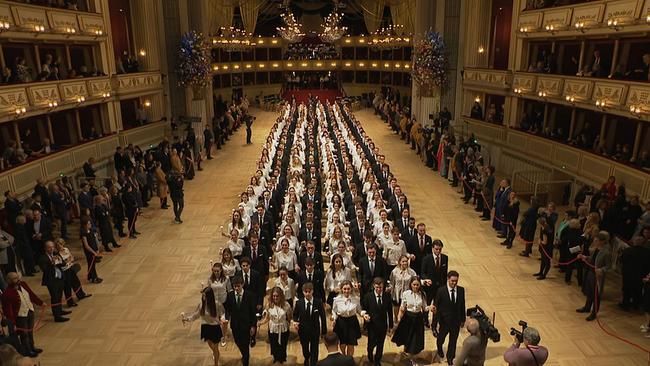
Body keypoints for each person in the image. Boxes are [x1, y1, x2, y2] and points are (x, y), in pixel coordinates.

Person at [1, 272, 44, 357]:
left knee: (30, 331)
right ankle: (27, 351)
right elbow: (8, 311)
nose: (18, 280)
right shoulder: (6, 294)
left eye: (17, 277)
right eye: (15, 278)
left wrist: (40, 303)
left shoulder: (23, 284)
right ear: (9, 281)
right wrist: (12, 323)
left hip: (30, 311)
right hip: (21, 316)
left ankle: (32, 347)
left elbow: (31, 295)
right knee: (24, 334)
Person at [182, 287, 222, 366]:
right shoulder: (201, 305)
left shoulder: (217, 304)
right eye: (203, 296)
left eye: (205, 296)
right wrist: (187, 319)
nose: (204, 298)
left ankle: (216, 364)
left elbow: (222, 314)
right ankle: (216, 354)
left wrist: (222, 320)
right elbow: (195, 315)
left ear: (210, 296)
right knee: (211, 345)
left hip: (215, 328)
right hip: (206, 327)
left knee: (215, 347)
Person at [577, 231, 612, 321]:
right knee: (589, 292)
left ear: (602, 241)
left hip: (597, 276)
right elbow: (592, 259)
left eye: (596, 240)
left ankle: (594, 313)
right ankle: (587, 307)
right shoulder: (596, 248)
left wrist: (601, 270)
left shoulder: (606, 252)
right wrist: (584, 257)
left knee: (596, 295)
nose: (594, 242)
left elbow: (609, 266)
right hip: (590, 272)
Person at [391, 276, 429, 359]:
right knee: (407, 336)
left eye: (417, 285)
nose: (415, 286)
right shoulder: (406, 293)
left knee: (415, 337)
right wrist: (399, 318)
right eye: (414, 284)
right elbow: (402, 307)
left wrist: (430, 308)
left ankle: (411, 353)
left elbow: (424, 307)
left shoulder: (422, 294)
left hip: (418, 317)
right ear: (411, 284)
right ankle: (406, 351)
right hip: (408, 317)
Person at [222, 276, 256, 366]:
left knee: (245, 344)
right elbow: (228, 309)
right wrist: (226, 317)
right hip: (235, 325)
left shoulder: (249, 296)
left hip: (246, 325)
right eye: (234, 286)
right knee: (237, 342)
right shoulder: (230, 295)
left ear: (242, 285)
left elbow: (253, 312)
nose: (236, 288)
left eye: (238, 286)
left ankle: (246, 361)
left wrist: (253, 326)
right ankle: (245, 355)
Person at [434, 270, 466, 365]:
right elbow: (436, 307)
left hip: (456, 322)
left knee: (453, 341)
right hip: (444, 322)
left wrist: (463, 319)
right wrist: (434, 323)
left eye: (456, 281)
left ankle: (450, 358)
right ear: (448, 279)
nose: (454, 283)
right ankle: (439, 348)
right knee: (441, 339)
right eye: (452, 281)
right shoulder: (441, 291)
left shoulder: (461, 290)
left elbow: (462, 305)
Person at [293, 282, 327, 366]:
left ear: (312, 291)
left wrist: (324, 331)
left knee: (314, 348)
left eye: (309, 291)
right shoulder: (299, 303)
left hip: (315, 330)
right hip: (303, 330)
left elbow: (323, 317)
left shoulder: (318, 302)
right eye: (305, 292)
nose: (307, 293)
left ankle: (313, 362)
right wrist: (295, 322)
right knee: (305, 347)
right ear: (303, 292)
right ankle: (307, 357)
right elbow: (295, 315)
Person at [361, 277, 393, 366]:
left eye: (380, 287)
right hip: (372, 325)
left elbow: (390, 312)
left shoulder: (387, 296)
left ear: (383, 287)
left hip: (383, 325)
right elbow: (364, 309)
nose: (379, 289)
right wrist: (365, 319)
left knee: (380, 344)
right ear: (373, 286)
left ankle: (378, 359)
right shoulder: (368, 296)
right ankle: (370, 355)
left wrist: (391, 325)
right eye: (377, 287)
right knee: (371, 344)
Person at [37, 241, 71, 322]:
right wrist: (52, 264)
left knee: (59, 296)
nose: (52, 248)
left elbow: (62, 263)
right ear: (45, 248)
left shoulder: (56, 254)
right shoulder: (42, 258)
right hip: (51, 280)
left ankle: (59, 311)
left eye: (52, 247)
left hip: (59, 278)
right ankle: (57, 316)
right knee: (55, 297)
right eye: (49, 247)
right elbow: (45, 270)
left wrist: (59, 261)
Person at [258, 287, 291, 364]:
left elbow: (289, 317)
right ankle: (276, 357)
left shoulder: (286, 305)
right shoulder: (269, 305)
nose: (275, 298)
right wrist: (260, 323)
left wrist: (290, 324)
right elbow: (267, 318)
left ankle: (282, 358)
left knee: (283, 345)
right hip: (273, 328)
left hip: (283, 328)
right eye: (274, 296)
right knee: (274, 345)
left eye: (277, 296)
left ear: (281, 296)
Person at [331, 280, 361, 357]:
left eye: (348, 289)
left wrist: (363, 315)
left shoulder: (356, 299)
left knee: (351, 344)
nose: (346, 291)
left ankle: (349, 360)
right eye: (344, 289)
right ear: (341, 289)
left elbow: (359, 310)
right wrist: (334, 319)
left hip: (352, 322)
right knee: (343, 343)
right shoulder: (337, 300)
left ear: (351, 289)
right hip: (341, 322)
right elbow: (334, 311)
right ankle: (344, 357)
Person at [79, 218, 103, 284]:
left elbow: (94, 240)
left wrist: (97, 249)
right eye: (88, 224)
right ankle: (94, 278)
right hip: (89, 252)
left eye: (90, 223)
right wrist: (93, 252)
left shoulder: (91, 230)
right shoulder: (83, 233)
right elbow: (86, 245)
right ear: (84, 225)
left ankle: (90, 276)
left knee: (93, 264)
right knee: (91, 265)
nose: (90, 225)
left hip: (94, 249)